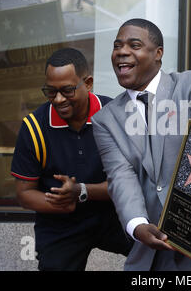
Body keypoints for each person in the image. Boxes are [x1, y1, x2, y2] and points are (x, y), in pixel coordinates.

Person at [92, 18, 191, 271]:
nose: (122, 51)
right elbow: (120, 176)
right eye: (117, 46)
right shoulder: (105, 120)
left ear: (158, 53)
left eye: (134, 45)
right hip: (147, 255)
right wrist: (137, 225)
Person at [11, 48, 132, 271]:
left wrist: (81, 190)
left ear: (88, 83)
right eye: (50, 91)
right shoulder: (34, 127)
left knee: (158, 250)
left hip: (114, 213)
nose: (58, 99)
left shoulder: (116, 114)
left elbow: (131, 183)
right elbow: (24, 193)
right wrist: (60, 203)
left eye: (67, 90)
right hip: (60, 222)